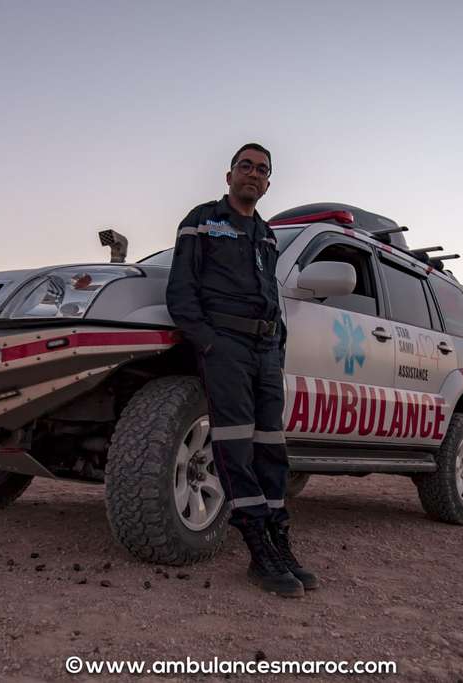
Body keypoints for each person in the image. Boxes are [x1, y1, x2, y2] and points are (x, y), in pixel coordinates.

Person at [166, 143, 318, 598]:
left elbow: (271, 295)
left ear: (268, 184)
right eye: (246, 166)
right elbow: (181, 290)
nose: (253, 174)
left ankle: (278, 539)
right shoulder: (202, 220)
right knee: (234, 445)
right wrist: (209, 343)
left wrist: (277, 348)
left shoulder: (267, 235)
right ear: (229, 174)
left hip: (266, 348)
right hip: (225, 345)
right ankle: (257, 549)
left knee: (272, 448)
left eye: (262, 170)